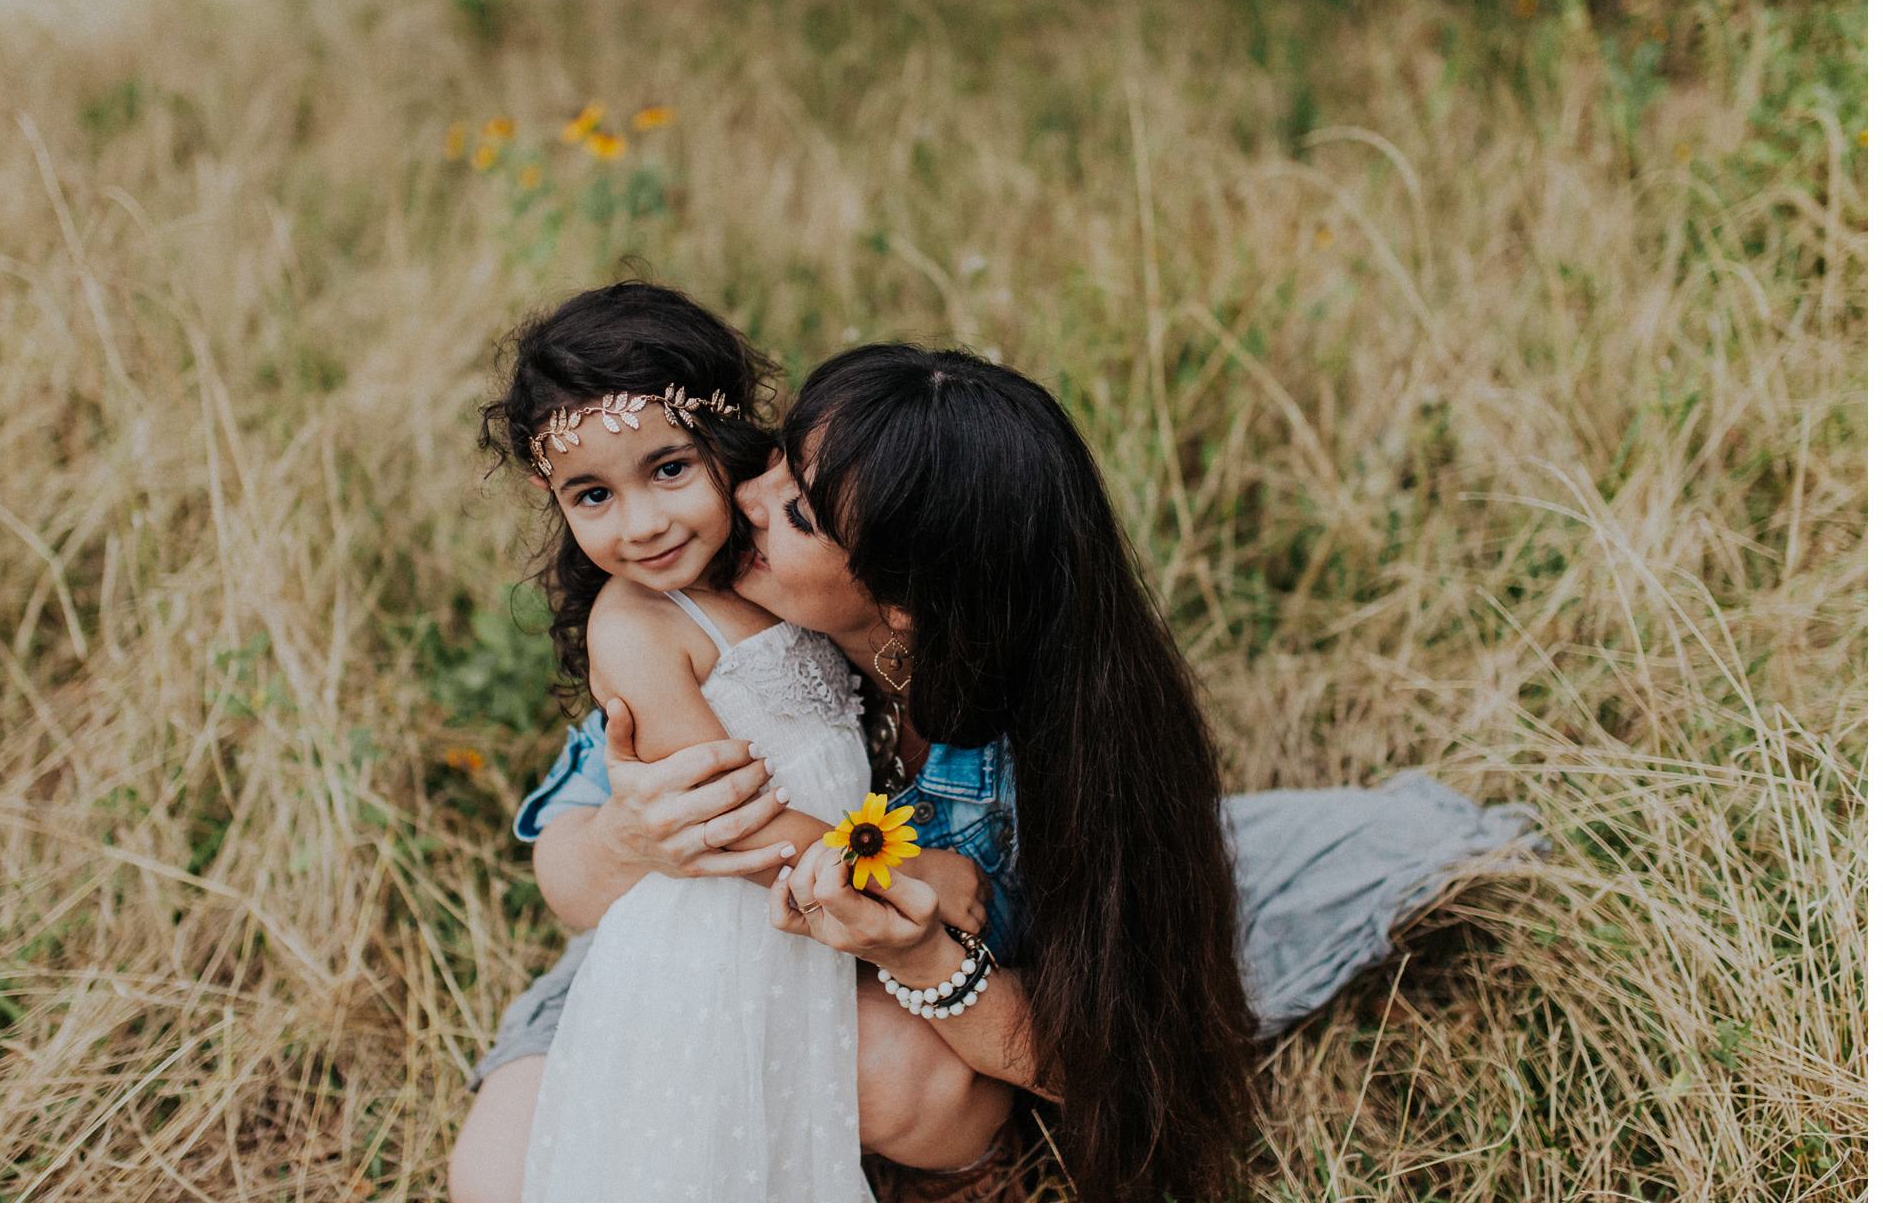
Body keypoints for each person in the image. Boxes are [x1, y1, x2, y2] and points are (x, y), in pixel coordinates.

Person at [453, 341, 1546, 1201]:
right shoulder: (707, 632)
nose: (742, 497)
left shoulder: (1055, 738)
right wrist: (629, 840)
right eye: (779, 458)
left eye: (794, 510)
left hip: (920, 991)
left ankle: (964, 1171)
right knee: (502, 1187)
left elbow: (1105, 1065)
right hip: (692, 958)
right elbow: (572, 875)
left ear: (903, 601)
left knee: (905, 1081)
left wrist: (926, 950)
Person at [477, 284, 921, 1199]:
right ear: (549, 494)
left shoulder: (775, 558)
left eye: (669, 470)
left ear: (727, 445)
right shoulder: (638, 627)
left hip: (820, 907)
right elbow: (740, 825)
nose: (641, 524)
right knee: (706, 1138)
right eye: (593, 494)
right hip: (740, 926)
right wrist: (896, 880)